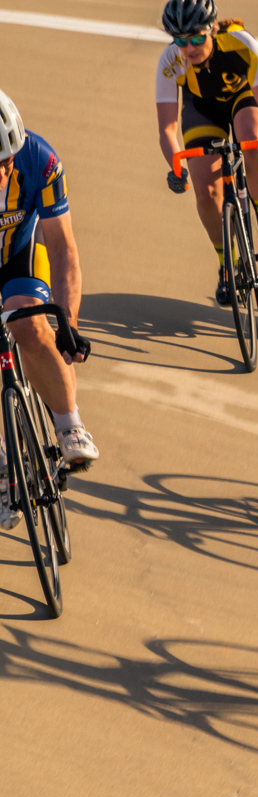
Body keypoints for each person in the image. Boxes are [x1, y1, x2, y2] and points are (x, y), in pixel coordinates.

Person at [0, 89, 98, 530]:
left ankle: (68, 423)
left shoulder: (40, 159)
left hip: (19, 258)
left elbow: (61, 247)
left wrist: (69, 323)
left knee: (33, 327)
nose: (3, 173)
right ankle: (3, 465)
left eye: (6, 162)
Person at [155, 0, 258, 305]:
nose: (189, 48)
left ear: (212, 29)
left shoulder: (240, 43)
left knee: (253, 140)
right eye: (180, 41)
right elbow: (166, 129)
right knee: (204, 187)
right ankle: (227, 263)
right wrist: (176, 168)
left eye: (198, 38)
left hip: (244, 94)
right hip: (202, 106)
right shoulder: (169, 61)